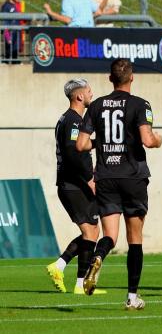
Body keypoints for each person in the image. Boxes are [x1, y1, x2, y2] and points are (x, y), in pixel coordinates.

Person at [76, 58, 162, 310]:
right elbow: (147, 140)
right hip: (133, 177)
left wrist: (101, 144)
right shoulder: (140, 104)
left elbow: (81, 145)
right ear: (132, 77)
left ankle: (98, 256)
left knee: (110, 236)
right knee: (135, 239)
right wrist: (158, 140)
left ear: (110, 78)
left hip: (105, 177)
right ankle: (132, 297)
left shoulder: (96, 106)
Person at [46, 79, 107, 295]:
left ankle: (60, 266)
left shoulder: (68, 119)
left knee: (92, 230)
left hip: (71, 184)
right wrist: (90, 178)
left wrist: (99, 141)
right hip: (74, 185)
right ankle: (80, 284)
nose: (92, 93)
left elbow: (78, 148)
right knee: (90, 231)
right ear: (79, 96)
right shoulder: (73, 121)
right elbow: (73, 154)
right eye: (89, 91)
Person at [1, 0, 25, 64]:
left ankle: (15, 63)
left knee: (15, 54)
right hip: (10, 36)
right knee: (10, 55)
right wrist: (7, 37)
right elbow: (4, 23)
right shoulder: (6, 6)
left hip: (16, 34)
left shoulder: (17, 5)